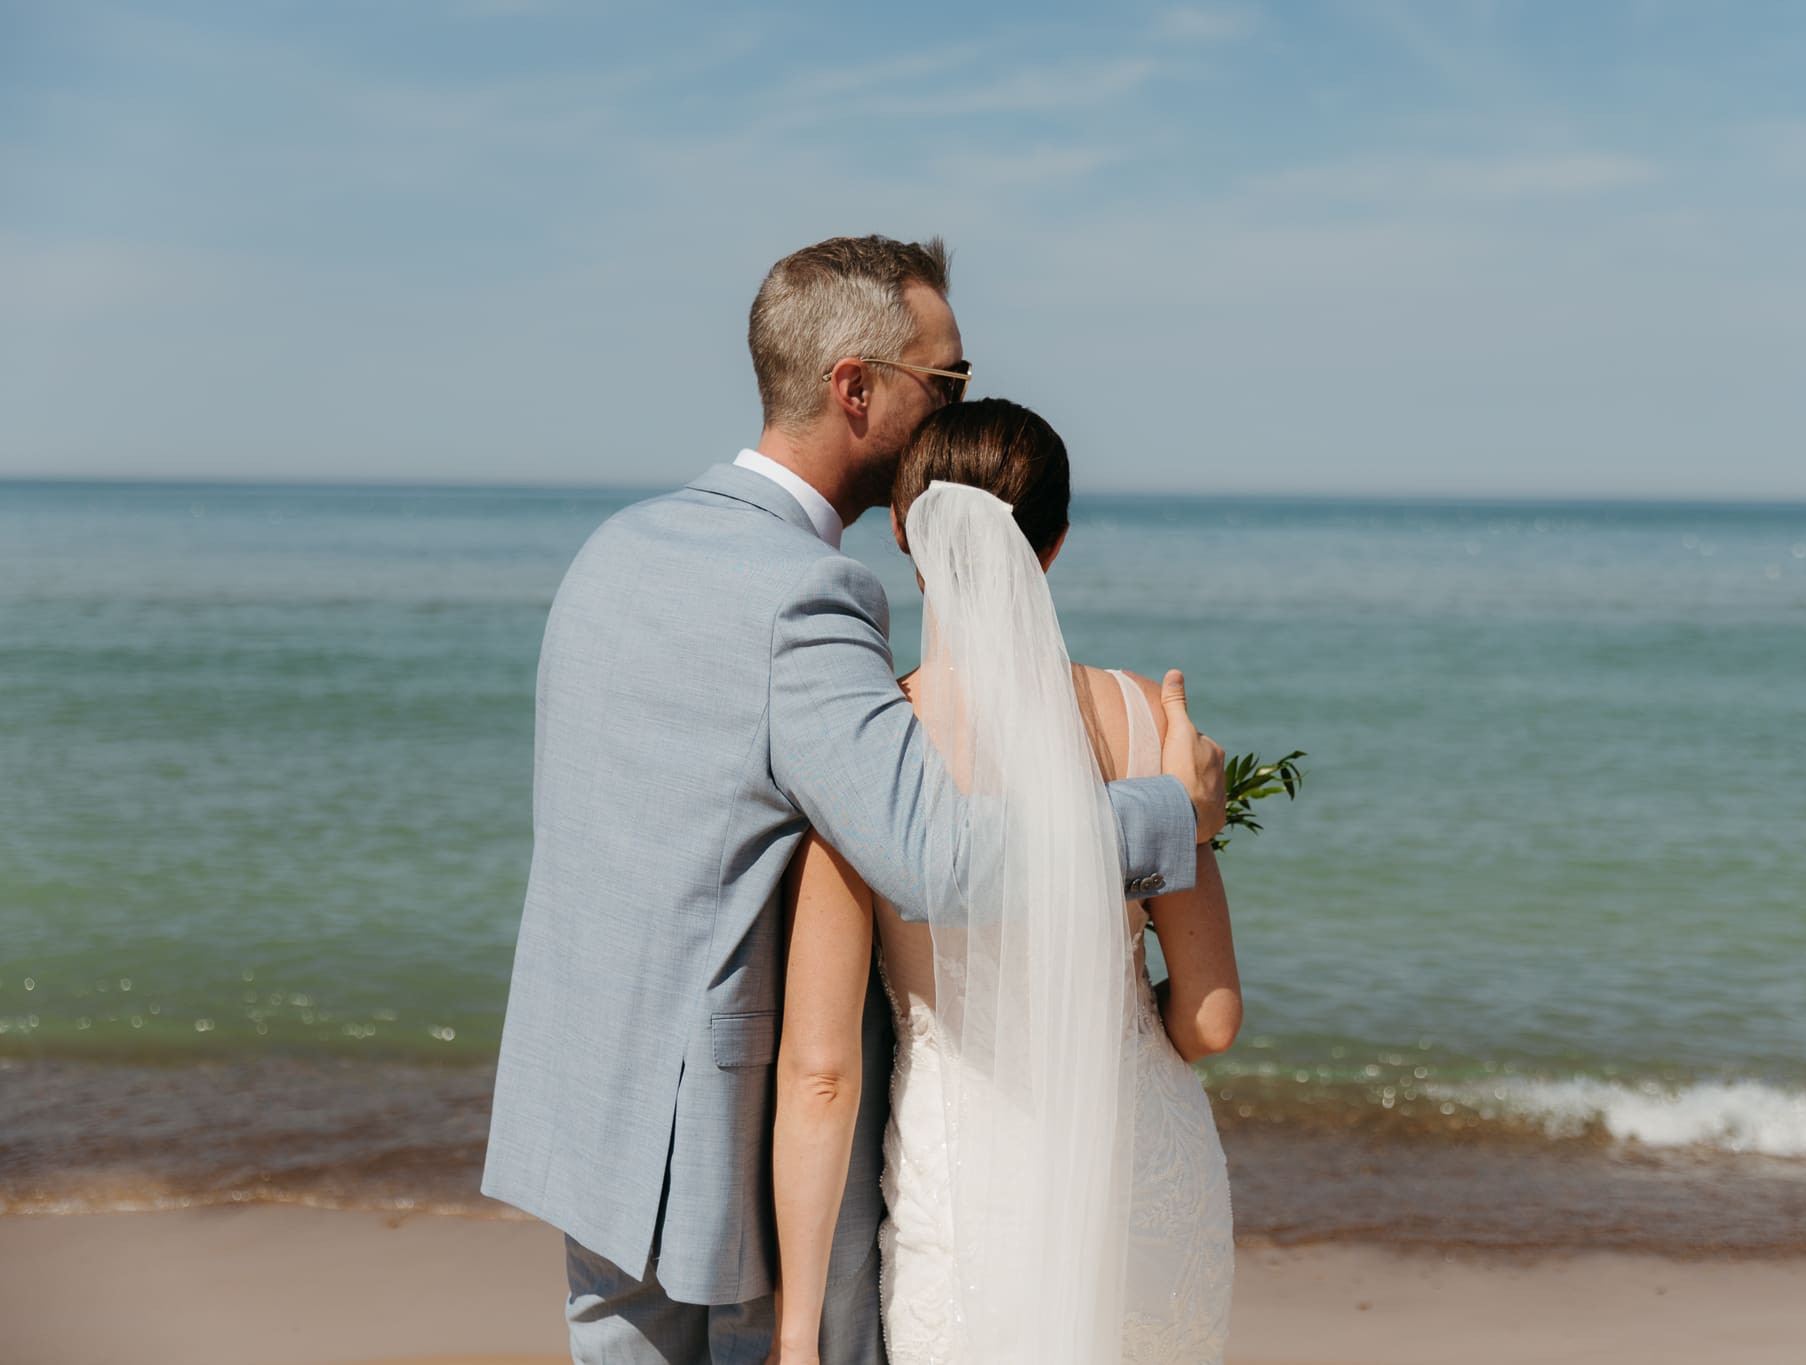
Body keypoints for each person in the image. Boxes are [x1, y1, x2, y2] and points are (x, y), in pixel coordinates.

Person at [480, 236, 1229, 1365]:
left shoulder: (612, 551)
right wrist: (1169, 815)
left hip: (587, 1122)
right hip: (724, 1172)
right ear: (855, 387)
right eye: (948, 382)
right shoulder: (806, 599)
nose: (955, 407)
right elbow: (937, 858)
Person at [772, 399, 1241, 1365]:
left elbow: (821, 1076)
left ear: (904, 532)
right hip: (1145, 1178)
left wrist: (796, 1330)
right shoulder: (1151, 719)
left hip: (970, 1195)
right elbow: (1211, 1018)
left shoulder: (872, 755)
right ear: (1055, 544)